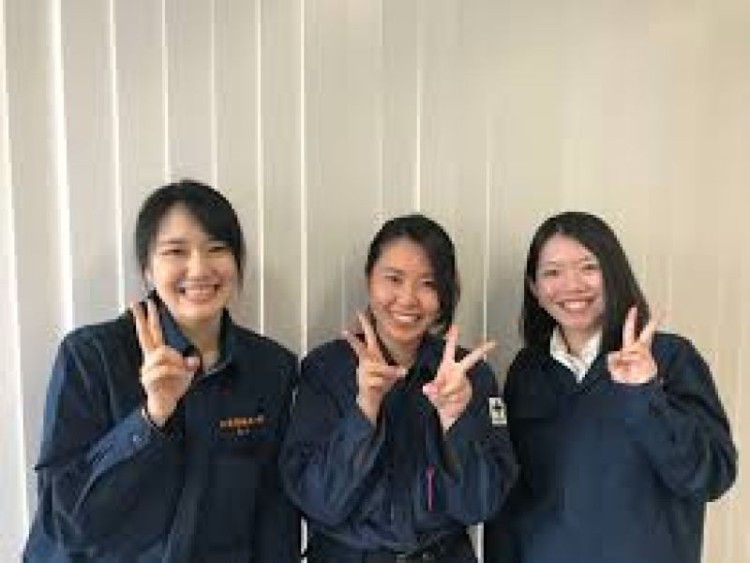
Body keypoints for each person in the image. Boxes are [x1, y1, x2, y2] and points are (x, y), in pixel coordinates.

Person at [23, 179, 300, 563]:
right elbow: (64, 519)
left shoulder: (271, 368)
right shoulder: (92, 356)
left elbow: (273, 514)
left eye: (217, 248)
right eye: (175, 251)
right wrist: (150, 418)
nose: (199, 268)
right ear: (148, 270)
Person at [483, 211, 737, 563]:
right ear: (534, 289)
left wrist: (644, 396)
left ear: (614, 275)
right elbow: (511, 497)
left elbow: (712, 477)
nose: (572, 285)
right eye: (552, 272)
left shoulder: (670, 357)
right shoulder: (527, 371)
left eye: (588, 267)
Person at [280, 213, 518, 563]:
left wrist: (455, 421)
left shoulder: (471, 376)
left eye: (428, 283)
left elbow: (480, 505)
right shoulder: (325, 369)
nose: (407, 299)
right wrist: (365, 408)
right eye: (393, 279)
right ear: (369, 280)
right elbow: (320, 502)